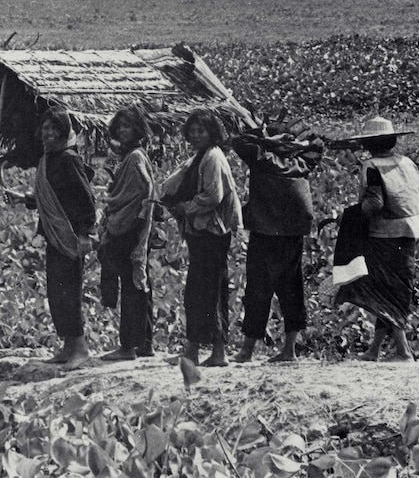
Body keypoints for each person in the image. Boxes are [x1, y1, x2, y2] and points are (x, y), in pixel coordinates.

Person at [334, 117, 419, 362]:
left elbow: (375, 203)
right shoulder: (409, 164)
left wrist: (346, 217)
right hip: (410, 232)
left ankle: (404, 351)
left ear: (370, 144)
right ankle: (374, 349)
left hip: (384, 235)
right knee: (393, 288)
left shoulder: (372, 166)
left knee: (387, 291)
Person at [4, 107, 97, 370]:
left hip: (69, 236)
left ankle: (80, 349)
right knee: (57, 293)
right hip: (54, 235)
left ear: (64, 131)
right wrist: (25, 199)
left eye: (55, 129)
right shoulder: (49, 159)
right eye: (45, 129)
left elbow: (86, 200)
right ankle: (68, 347)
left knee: (70, 291)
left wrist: (83, 234)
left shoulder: (69, 159)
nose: (49, 133)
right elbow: (52, 198)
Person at [230, 118, 323, 363]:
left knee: (258, 290)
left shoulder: (263, 159)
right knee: (291, 288)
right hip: (291, 233)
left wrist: (268, 140)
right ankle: (288, 350)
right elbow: (317, 144)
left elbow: (239, 142)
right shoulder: (302, 162)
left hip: (267, 232)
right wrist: (295, 140)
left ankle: (247, 350)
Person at [162, 109, 242, 367]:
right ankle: (194, 350)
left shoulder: (213, 157)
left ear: (212, 133)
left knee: (208, 292)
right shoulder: (202, 157)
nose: (196, 136)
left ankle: (216, 353)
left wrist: (186, 208)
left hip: (212, 233)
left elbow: (213, 196)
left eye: (201, 131)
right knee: (200, 291)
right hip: (203, 232)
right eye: (192, 131)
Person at [98, 106, 156, 361]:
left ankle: (127, 347)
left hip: (128, 227)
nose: (122, 130)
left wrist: (113, 201)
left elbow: (144, 189)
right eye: (119, 126)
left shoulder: (134, 158)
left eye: (127, 126)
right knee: (140, 284)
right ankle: (145, 343)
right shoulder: (135, 155)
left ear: (137, 129)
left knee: (131, 287)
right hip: (133, 225)